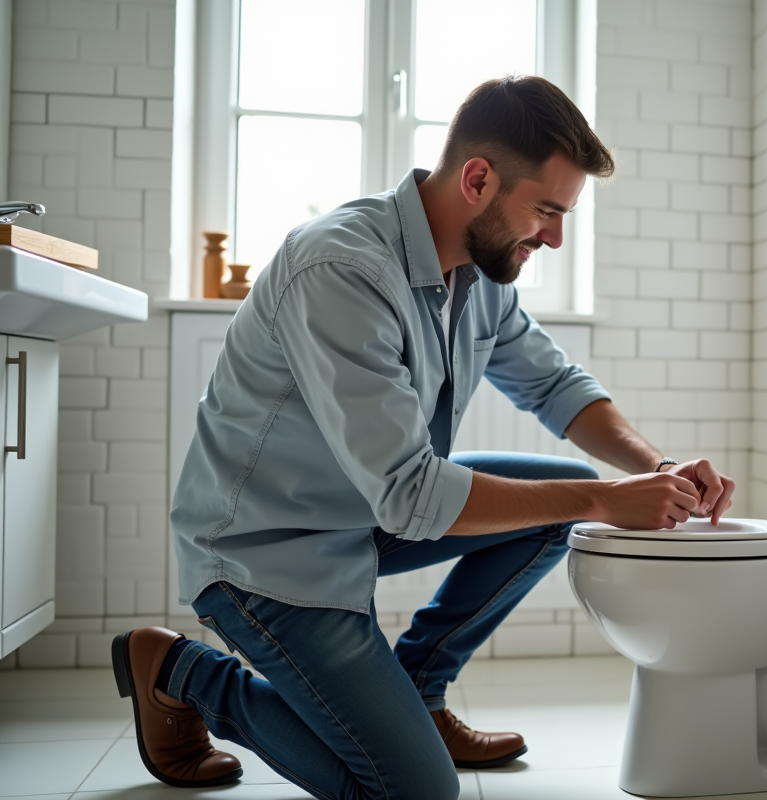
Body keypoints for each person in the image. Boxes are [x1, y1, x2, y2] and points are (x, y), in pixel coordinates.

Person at [111, 76, 734, 800]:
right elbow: (411, 495)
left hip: (363, 510)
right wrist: (604, 498)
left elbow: (556, 387)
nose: (555, 238)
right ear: (478, 179)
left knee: (555, 511)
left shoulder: (484, 270)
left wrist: (657, 467)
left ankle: (417, 694)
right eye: (547, 211)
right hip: (265, 551)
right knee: (414, 794)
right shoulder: (342, 269)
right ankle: (180, 673)